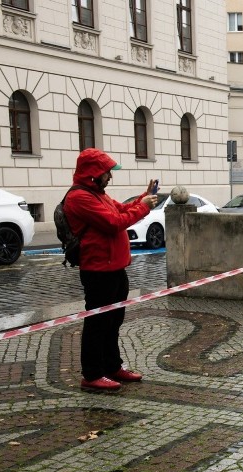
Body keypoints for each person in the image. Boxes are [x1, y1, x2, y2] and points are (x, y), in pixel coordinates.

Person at [63, 148, 158, 392]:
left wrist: (143, 197)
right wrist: (144, 207)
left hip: (115, 268)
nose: (110, 177)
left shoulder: (98, 194)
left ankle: (112, 365)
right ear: (94, 174)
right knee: (98, 323)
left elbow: (121, 210)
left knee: (113, 321)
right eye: (107, 172)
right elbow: (114, 222)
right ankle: (92, 373)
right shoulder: (79, 198)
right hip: (98, 271)